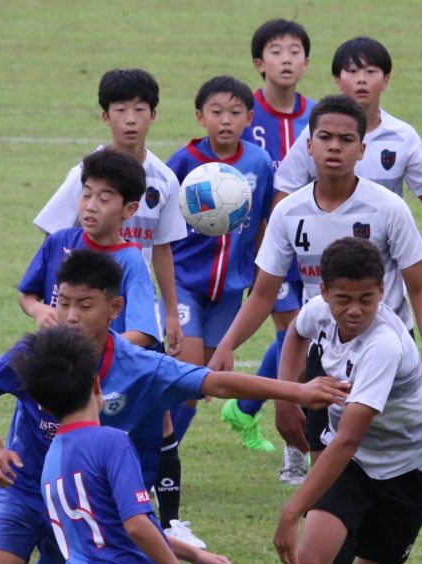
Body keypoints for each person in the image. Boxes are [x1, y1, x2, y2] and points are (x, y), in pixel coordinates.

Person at [0, 250, 347, 564]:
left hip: (83, 508)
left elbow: (215, 381)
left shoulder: (140, 367)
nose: (70, 316)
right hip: (19, 490)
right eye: (64, 302)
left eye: (84, 305)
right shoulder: (40, 353)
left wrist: (296, 392)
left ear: (115, 308)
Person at [210, 94, 422, 564]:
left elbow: (419, 287)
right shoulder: (290, 212)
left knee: (340, 477)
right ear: (309, 144)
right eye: (326, 138)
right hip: (324, 353)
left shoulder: (387, 209)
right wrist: (234, 353)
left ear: (362, 148)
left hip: (383, 358)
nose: (336, 148)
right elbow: (265, 294)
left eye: (347, 139)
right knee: (333, 483)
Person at [237, 238, 422, 564]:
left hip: (406, 469)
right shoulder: (318, 311)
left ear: (383, 291)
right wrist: (287, 396)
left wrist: (292, 510)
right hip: (350, 463)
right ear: (325, 292)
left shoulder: (383, 345)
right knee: (310, 563)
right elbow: (294, 333)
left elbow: (349, 438)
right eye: (343, 299)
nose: (354, 310)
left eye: (367, 299)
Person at [33, 68, 187, 540]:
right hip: (80, 318)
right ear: (106, 116)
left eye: (140, 109)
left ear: (154, 115)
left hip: (130, 312)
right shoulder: (83, 175)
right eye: (121, 109)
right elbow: (55, 243)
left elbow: (162, 248)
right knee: (58, 412)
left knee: (158, 411)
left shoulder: (163, 180)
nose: (131, 119)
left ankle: (170, 520)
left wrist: (170, 312)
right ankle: (40, 499)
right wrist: (53, 310)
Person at [27, 325, 200, 564]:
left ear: (43, 405)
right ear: (97, 383)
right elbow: (137, 526)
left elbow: (106, 531)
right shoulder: (111, 442)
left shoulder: (52, 458)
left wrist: (197, 557)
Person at [223, 18, 314, 483]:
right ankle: (294, 449)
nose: (286, 59)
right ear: (260, 63)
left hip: (312, 243)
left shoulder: (318, 116)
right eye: (276, 51)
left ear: (306, 62)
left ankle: (245, 407)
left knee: (297, 335)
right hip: (265, 247)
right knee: (293, 332)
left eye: (294, 51)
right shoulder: (243, 114)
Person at [165, 75, 274, 453]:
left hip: (231, 288)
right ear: (200, 117)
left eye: (235, 112)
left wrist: (261, 273)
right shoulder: (184, 161)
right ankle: (160, 461)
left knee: (201, 383)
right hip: (185, 282)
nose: (225, 120)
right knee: (187, 379)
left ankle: (164, 456)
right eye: (216, 112)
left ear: (249, 118)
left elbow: (263, 222)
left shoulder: (259, 162)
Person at [274, 36, 422, 207]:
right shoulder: (317, 134)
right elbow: (285, 191)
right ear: (338, 80)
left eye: (371, 71)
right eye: (352, 71)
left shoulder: (403, 136)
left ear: (386, 80)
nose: (361, 79)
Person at [19, 147, 160, 348]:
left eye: (104, 199)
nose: (91, 206)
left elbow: (142, 333)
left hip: (102, 365)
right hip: (58, 358)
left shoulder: (131, 261)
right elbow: (27, 295)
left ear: (129, 209)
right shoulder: (59, 241)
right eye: (86, 195)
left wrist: (95, 349)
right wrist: (38, 310)